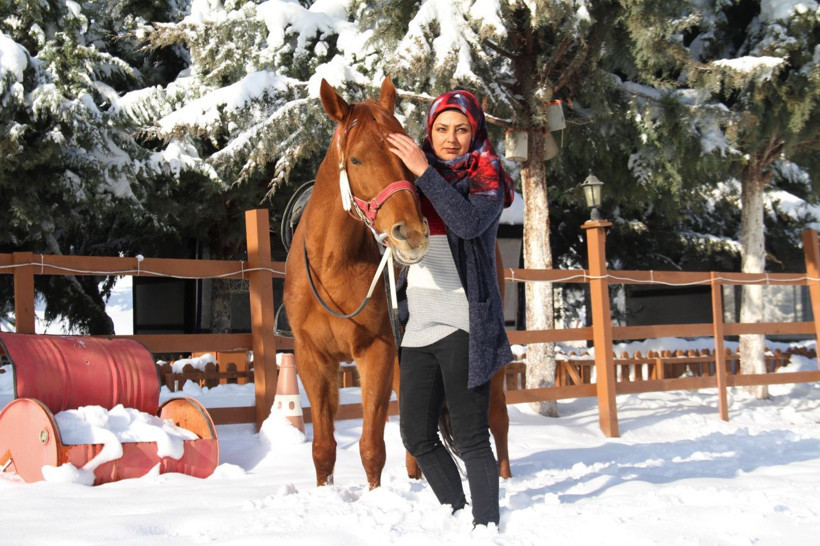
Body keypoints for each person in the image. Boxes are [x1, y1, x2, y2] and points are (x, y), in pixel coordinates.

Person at [387, 89, 514, 528]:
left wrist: (423, 171)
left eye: (461, 129)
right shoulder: (414, 175)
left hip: (464, 321)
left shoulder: (488, 175)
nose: (451, 139)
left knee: (471, 435)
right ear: (430, 130)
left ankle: (486, 526)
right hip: (419, 323)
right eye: (441, 129)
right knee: (417, 435)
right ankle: (458, 515)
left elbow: (465, 223)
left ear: (475, 130)